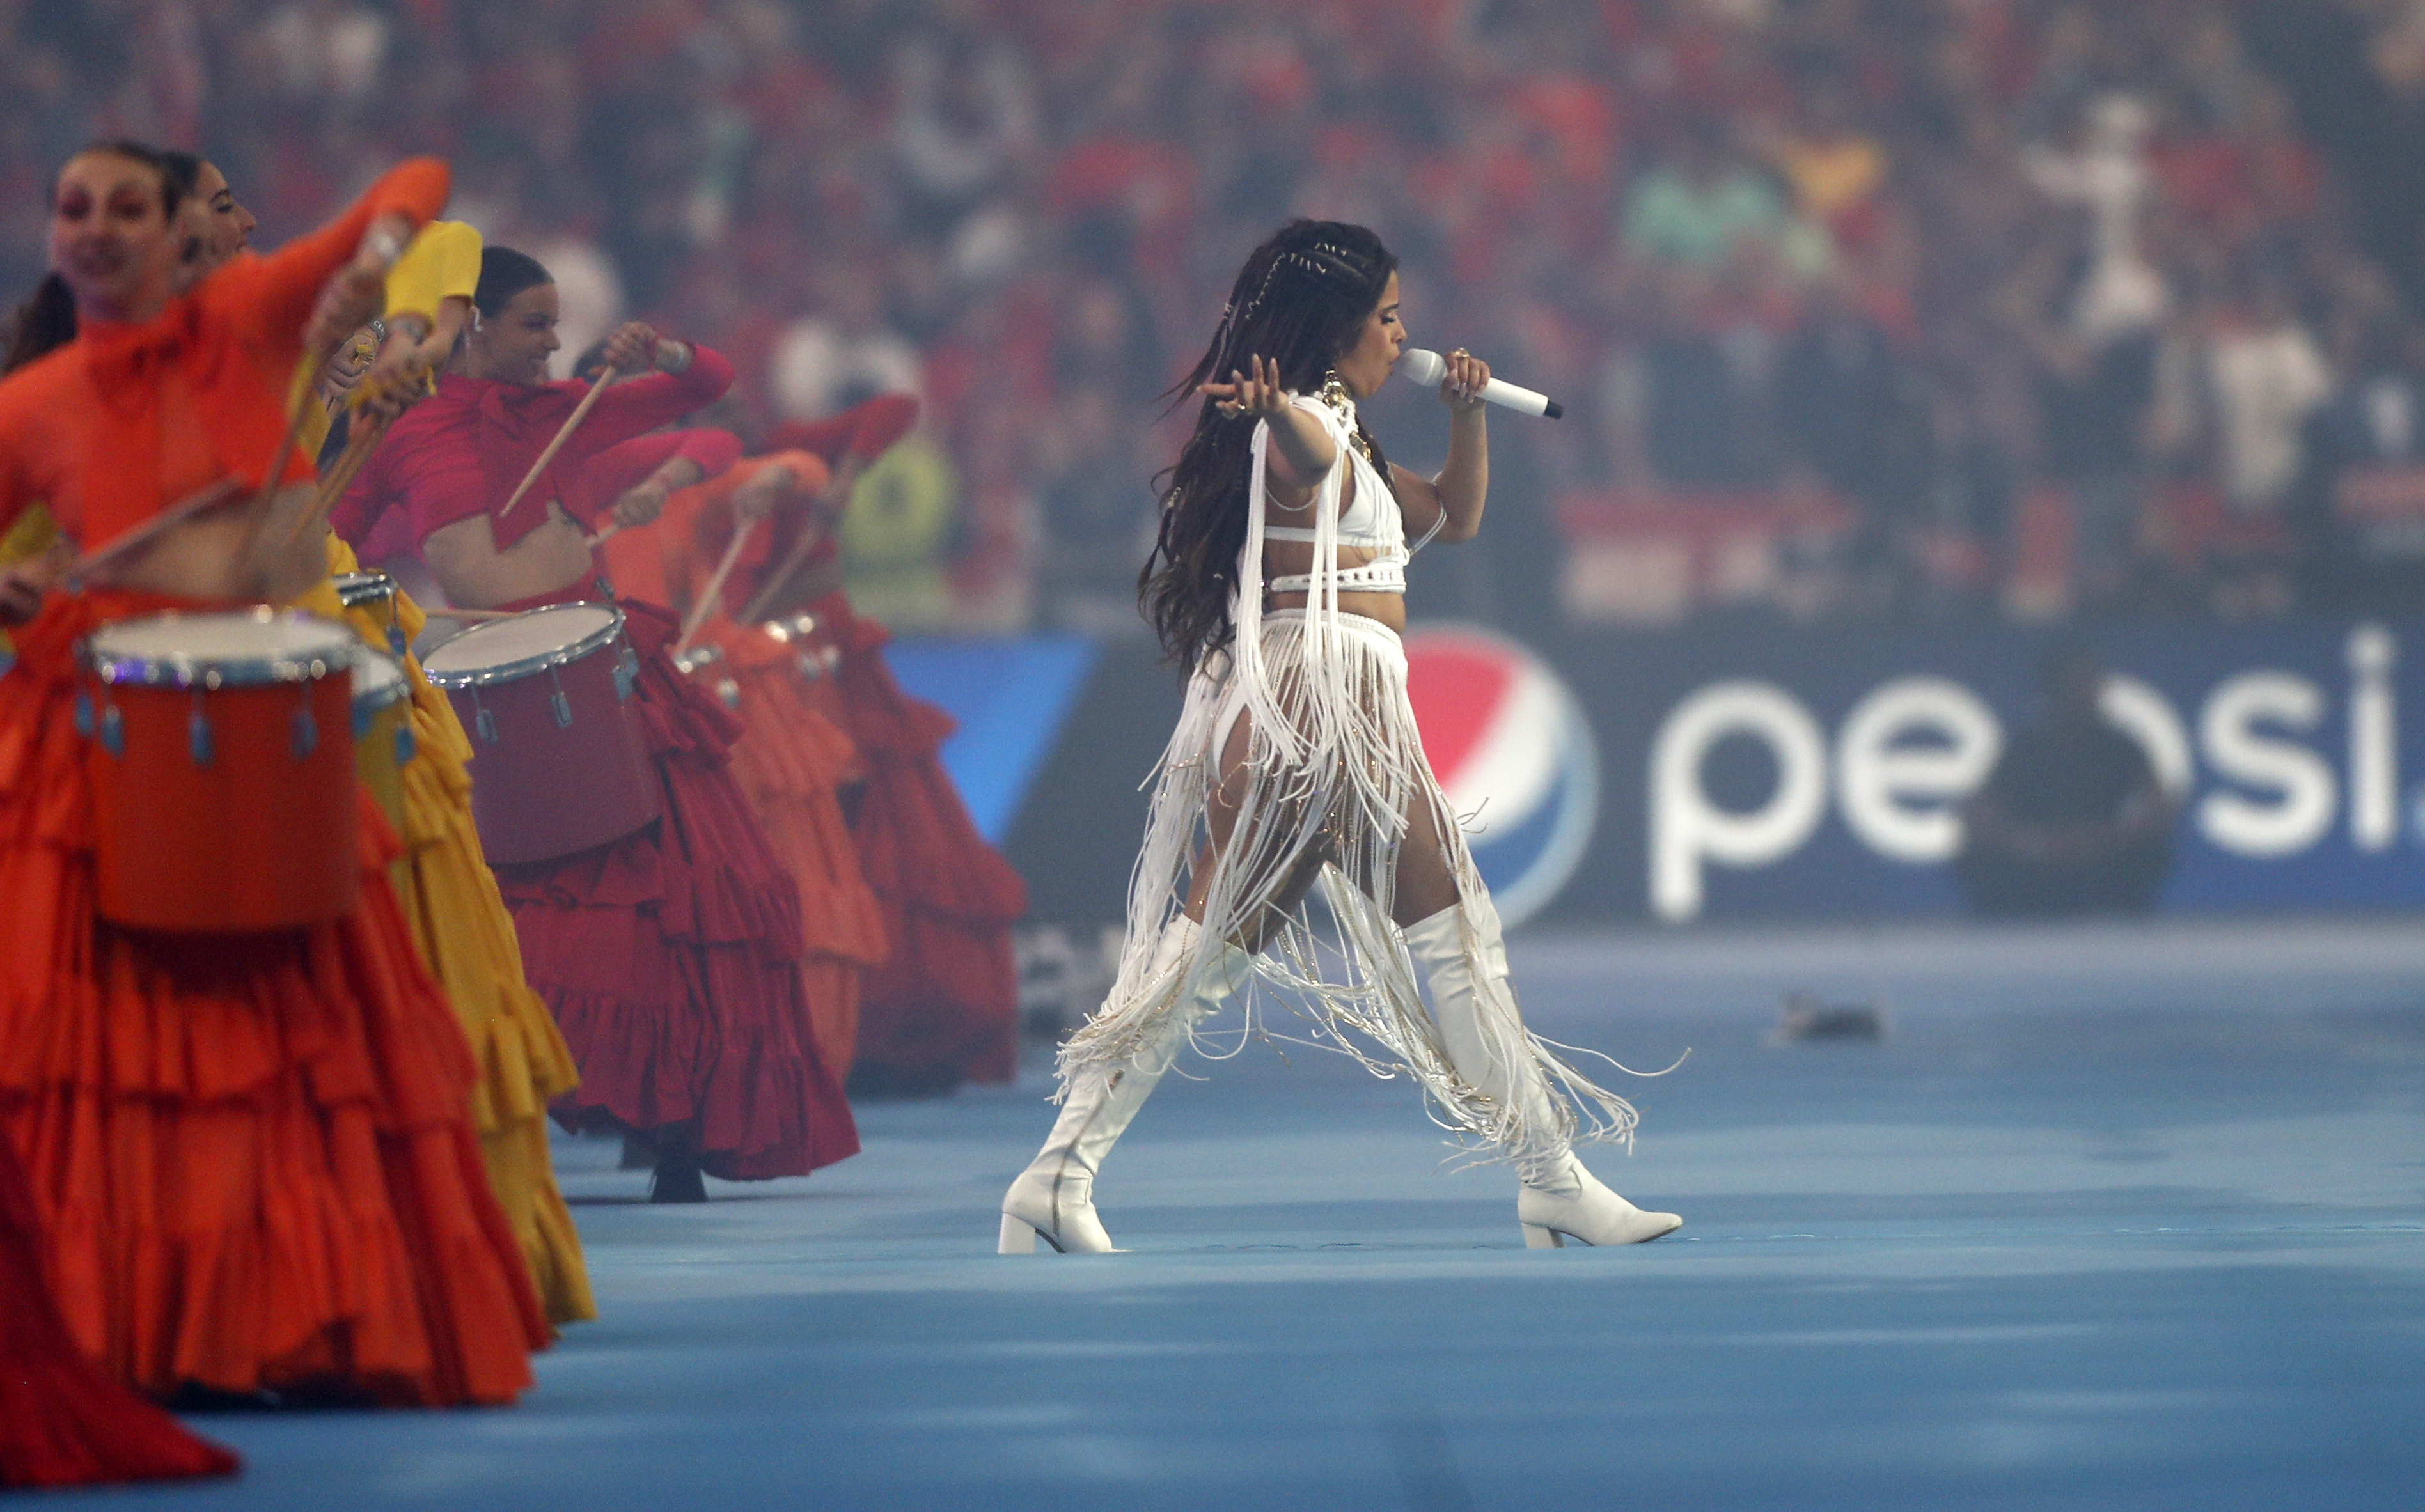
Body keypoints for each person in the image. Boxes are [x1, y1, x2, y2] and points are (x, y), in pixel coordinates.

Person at [999, 220, 1681, 1254]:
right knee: (1436, 932)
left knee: (1226, 953)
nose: (1402, 333)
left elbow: (1455, 514)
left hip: (1333, 699)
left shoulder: (1352, 434)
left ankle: (1057, 1177)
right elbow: (1300, 454)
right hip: (1322, 699)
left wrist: (1466, 419)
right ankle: (1548, 1179)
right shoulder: (1300, 424)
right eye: (1389, 316)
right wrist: (1281, 406)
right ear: (1336, 333)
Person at [0, 142, 545, 1403]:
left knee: (278, 1034)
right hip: (90, 747)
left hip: (259, 729)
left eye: (129, 209)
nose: (98, 232)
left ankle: (280, 1311)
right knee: (109, 1045)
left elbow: (419, 184)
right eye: (73, 210)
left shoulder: (259, 333)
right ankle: (124, 1321)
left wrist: (394, 296)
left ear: (184, 237)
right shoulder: (34, 405)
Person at [333, 246, 858, 1201]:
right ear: (472, 325)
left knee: (680, 895)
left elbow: (710, 387)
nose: (553, 343)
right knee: (511, 908)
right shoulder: (404, 431)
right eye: (534, 323)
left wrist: (660, 350)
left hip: (609, 666)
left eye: (557, 323)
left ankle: (676, 1133)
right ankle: (505, 1104)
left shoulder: (565, 409)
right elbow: (337, 535)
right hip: (488, 687)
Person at [174, 164, 595, 1324]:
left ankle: (411, 1257)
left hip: (322, 677)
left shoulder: (293, 322)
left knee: (390, 957)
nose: (245, 218)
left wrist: (414, 327)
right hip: (177, 693)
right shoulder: (99, 371)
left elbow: (442, 222)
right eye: (214, 202)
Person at [757, 397, 1029, 1097]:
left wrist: (848, 470)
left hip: (835, 655)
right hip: (766, 660)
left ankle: (886, 1021)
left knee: (879, 829)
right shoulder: (691, 480)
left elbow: (898, 408)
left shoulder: (790, 447)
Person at [599, 443, 890, 1081]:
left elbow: (807, 465)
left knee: (763, 880)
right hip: (620, 715)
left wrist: (780, 477)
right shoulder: (565, 512)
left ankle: (771, 1065)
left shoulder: (682, 489)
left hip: (719, 709)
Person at [1956, 648, 2174, 915]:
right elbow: (1984, 804)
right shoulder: (2025, 747)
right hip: (2035, 857)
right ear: (2055, 692)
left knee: (2151, 853)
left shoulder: (2121, 746)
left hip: (2105, 852)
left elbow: (2157, 801)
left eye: (2092, 685)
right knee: (1977, 857)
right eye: (2076, 687)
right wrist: (2028, 842)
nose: (2087, 694)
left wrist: (2111, 838)